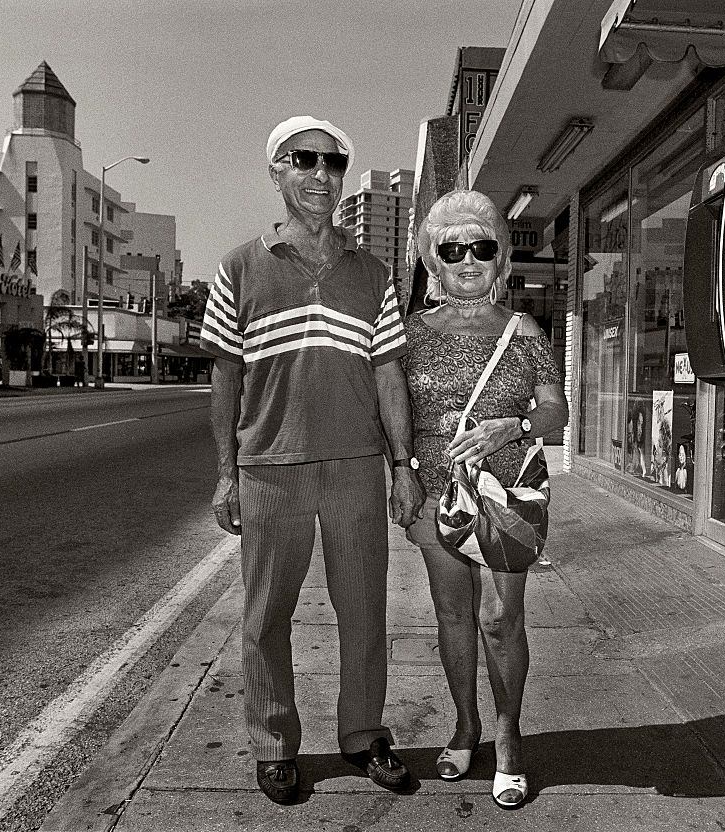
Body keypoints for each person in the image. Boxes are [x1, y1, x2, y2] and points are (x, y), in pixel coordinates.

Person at [200, 116, 426, 805]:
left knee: (365, 611)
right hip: (272, 468)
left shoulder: (374, 274)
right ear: (277, 171)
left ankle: (363, 735)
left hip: (357, 466)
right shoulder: (240, 267)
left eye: (333, 163)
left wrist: (403, 465)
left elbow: (390, 375)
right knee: (267, 615)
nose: (321, 174)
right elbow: (226, 380)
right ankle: (273, 745)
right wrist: (225, 474)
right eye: (304, 160)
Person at [402, 190, 569, 809]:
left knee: (501, 621)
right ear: (432, 260)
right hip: (435, 495)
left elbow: (557, 407)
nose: (467, 259)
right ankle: (465, 726)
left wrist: (516, 425)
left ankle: (507, 740)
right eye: (452, 249)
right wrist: (401, 474)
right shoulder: (411, 335)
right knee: (452, 617)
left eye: (481, 247)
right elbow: (391, 413)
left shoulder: (523, 330)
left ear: (500, 257)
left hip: (506, 497)